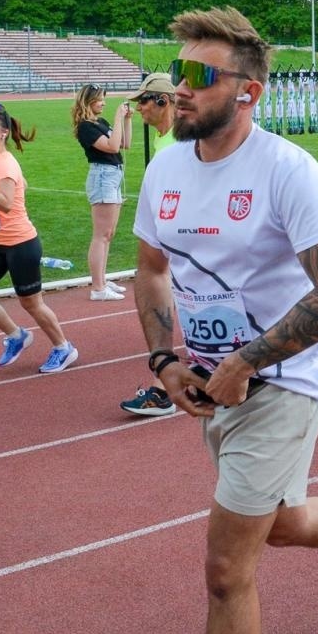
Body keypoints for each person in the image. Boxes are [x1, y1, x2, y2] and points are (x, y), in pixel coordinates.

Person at [133, 7, 318, 634]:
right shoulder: (164, 171)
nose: (180, 88)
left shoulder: (287, 171)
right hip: (213, 384)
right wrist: (164, 360)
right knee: (282, 524)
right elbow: (150, 270)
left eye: (200, 76)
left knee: (227, 571)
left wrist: (246, 360)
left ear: (248, 92)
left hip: (282, 380)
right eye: (178, 71)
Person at [0, 103, 78, 374]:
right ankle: (16, 335)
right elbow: (17, 190)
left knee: (31, 303)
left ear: (4, 133)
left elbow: (8, 203)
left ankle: (63, 347)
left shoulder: (6, 162)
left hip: (21, 245)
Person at [119, 72, 183, 417]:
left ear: (164, 100)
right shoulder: (164, 139)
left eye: (144, 100)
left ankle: (164, 389)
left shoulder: (181, 140)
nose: (140, 108)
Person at [72, 84, 128, 302]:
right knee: (101, 235)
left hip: (113, 176)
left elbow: (124, 143)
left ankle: (102, 280)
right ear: (88, 101)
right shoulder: (85, 127)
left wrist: (126, 120)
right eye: (99, 99)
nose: (103, 103)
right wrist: (117, 117)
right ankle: (98, 288)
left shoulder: (100, 122)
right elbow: (113, 147)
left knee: (109, 234)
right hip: (103, 176)